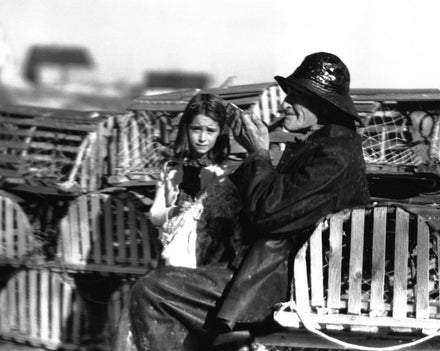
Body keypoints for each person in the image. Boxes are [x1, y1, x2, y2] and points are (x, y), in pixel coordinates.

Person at [125, 52, 371, 351]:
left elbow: (268, 213)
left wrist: (259, 154)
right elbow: (269, 199)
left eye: (294, 97)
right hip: (280, 271)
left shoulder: (334, 154)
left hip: (289, 281)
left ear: (321, 104)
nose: (284, 104)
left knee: (153, 291)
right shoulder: (325, 145)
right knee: (168, 289)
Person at [149, 92, 243, 268]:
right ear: (186, 128)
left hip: (212, 256)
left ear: (220, 132)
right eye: (196, 129)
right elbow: (155, 214)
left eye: (210, 131)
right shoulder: (171, 169)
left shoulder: (224, 172)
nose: (202, 138)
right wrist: (175, 211)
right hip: (175, 253)